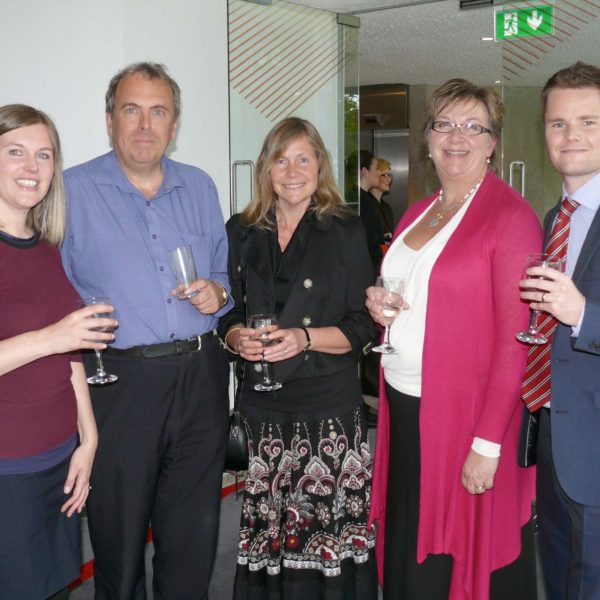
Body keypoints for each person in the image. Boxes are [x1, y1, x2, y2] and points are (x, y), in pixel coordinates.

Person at [60, 62, 232, 599]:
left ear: (174, 123)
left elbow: (225, 275)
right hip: (120, 385)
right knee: (119, 539)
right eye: (131, 110)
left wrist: (218, 293)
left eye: (158, 112)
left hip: (200, 379)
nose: (144, 124)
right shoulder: (70, 192)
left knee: (193, 537)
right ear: (109, 119)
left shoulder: (200, 186)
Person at [367, 79, 542, 600]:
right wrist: (380, 306)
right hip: (404, 405)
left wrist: (487, 444)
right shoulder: (417, 211)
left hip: (464, 416)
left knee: (451, 558)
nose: (456, 137)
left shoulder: (510, 217)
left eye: (473, 126)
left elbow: (519, 341)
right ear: (427, 138)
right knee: (408, 536)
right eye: (443, 124)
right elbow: (416, 296)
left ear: (493, 143)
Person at [219, 117, 379, 600]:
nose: (292, 171)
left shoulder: (345, 229)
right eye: (281, 159)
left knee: (323, 525)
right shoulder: (242, 229)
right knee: (270, 526)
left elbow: (363, 325)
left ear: (319, 166)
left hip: (326, 407)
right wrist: (234, 339)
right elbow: (228, 310)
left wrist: (304, 338)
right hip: (264, 407)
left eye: (303, 159)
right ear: (266, 169)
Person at [0, 104, 112, 598]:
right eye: (16, 152)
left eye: (43, 155)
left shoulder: (46, 247)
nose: (32, 167)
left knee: (54, 588)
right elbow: (59, 340)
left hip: (57, 459)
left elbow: (71, 357)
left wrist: (87, 439)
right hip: (9, 469)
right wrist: (54, 337)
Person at [519, 61, 600, 600]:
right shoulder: (555, 216)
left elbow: (574, 313)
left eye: (590, 122)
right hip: (551, 437)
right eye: (558, 123)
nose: (571, 135)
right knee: (560, 575)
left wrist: (583, 314)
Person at [358, 150, 386, 278]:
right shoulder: (366, 203)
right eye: (376, 169)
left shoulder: (364, 199)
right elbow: (369, 243)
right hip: (367, 268)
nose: (379, 173)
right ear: (364, 171)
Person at [368, 157, 394, 249]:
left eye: (390, 176)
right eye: (385, 175)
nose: (389, 180)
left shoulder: (387, 208)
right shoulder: (366, 205)